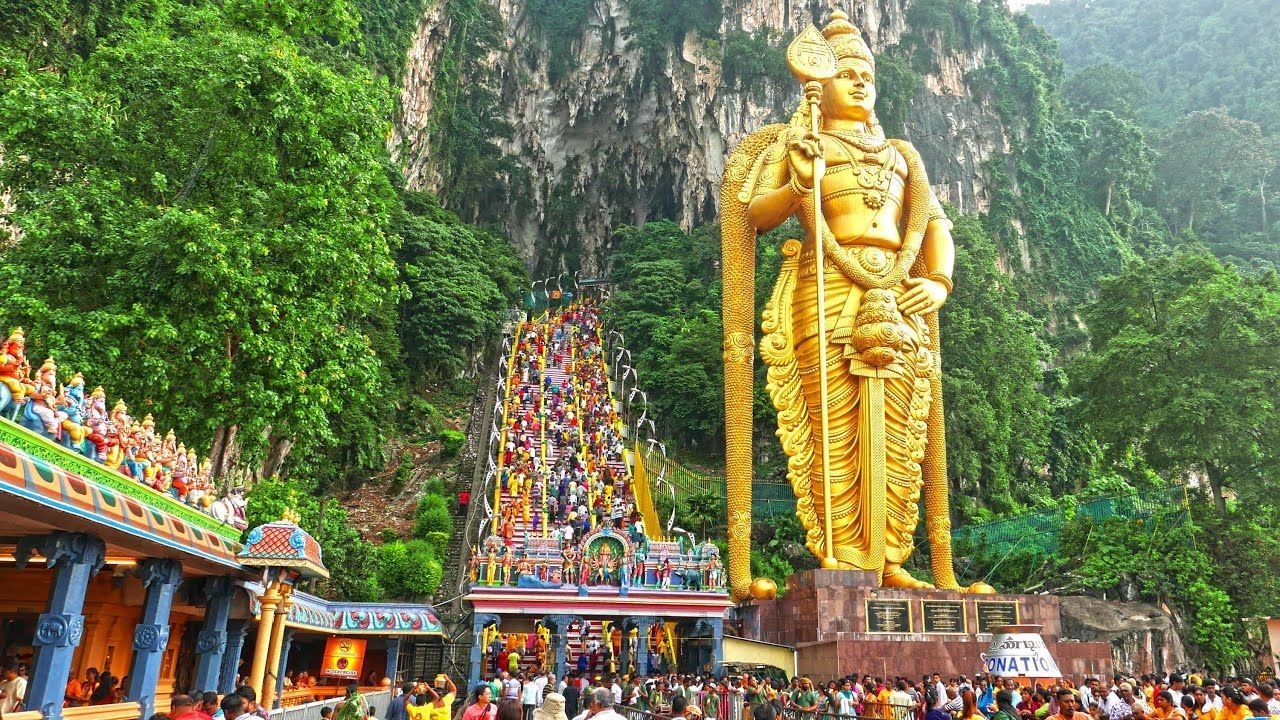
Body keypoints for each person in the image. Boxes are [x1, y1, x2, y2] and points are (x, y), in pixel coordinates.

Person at [721, 8, 984, 595]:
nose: (861, 82)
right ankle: (837, 552)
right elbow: (754, 215)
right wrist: (798, 183)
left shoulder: (900, 157)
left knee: (899, 430)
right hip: (825, 292)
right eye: (847, 73)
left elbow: (935, 224)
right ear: (821, 84)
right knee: (829, 425)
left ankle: (891, 558)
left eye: (868, 73)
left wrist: (937, 281)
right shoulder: (802, 144)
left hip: (896, 296)